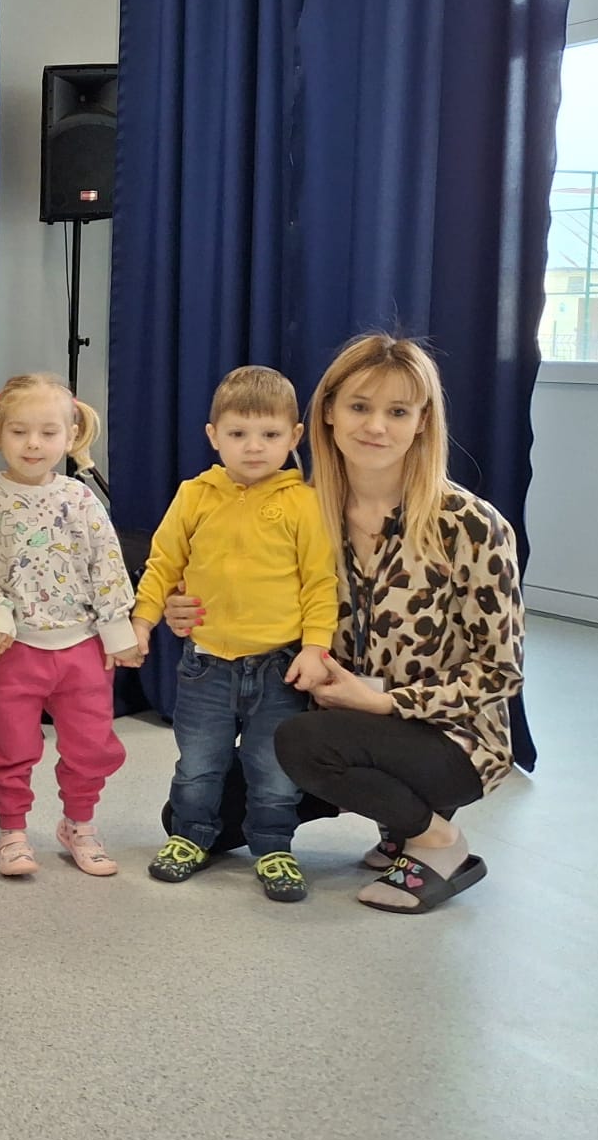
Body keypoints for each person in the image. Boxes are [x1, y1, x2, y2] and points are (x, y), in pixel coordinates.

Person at [183, 335, 521, 914]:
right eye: (360, 407)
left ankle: (435, 840)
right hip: (335, 725)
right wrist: (187, 607)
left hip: (444, 737)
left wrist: (385, 702)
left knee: (302, 743)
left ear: (422, 422)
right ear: (329, 413)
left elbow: (500, 672)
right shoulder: (304, 510)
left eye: (398, 412)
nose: (376, 427)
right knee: (193, 817)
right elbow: (255, 600)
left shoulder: (470, 525)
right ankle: (392, 820)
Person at [132, 365, 336, 902]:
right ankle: (190, 836)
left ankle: (273, 846)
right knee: (199, 764)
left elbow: (320, 582)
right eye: (238, 433)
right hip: (206, 664)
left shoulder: (304, 502)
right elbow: (163, 563)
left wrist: (316, 647)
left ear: (294, 436)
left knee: (273, 769)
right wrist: (142, 620)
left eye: (270, 434)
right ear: (213, 436)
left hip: (279, 666)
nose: (254, 447)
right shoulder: (194, 495)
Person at [0, 373, 140, 879]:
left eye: (48, 432)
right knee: (10, 745)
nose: (33, 444)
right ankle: (12, 830)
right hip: (13, 649)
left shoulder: (81, 499)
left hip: (82, 648)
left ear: (71, 435)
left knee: (90, 744)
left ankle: (79, 824)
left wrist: (117, 629)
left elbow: (106, 562)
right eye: (19, 432)